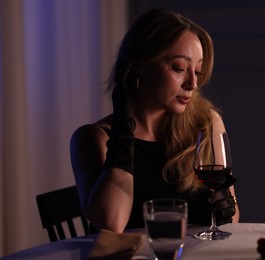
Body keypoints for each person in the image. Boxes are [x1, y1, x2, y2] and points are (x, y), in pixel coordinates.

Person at [70, 8, 239, 233]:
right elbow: (111, 224)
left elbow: (233, 219)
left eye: (197, 71)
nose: (192, 84)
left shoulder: (206, 123)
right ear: (138, 67)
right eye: (179, 68)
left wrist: (223, 209)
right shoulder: (93, 137)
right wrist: (123, 126)